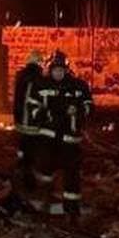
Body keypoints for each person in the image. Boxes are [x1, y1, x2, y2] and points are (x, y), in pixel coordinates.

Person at [45, 50, 94, 218]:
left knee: (72, 175)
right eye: (55, 70)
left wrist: (78, 110)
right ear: (50, 70)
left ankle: (71, 208)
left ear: (66, 70)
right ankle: (43, 203)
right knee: (45, 173)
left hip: (71, 141)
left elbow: (89, 107)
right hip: (49, 140)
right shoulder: (44, 86)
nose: (58, 73)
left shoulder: (78, 86)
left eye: (61, 70)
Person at [9, 52, 49, 202]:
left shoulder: (21, 76)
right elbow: (41, 100)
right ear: (39, 63)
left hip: (21, 120)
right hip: (32, 122)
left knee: (23, 147)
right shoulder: (37, 78)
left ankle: (20, 170)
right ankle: (28, 180)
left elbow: (19, 98)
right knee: (31, 151)